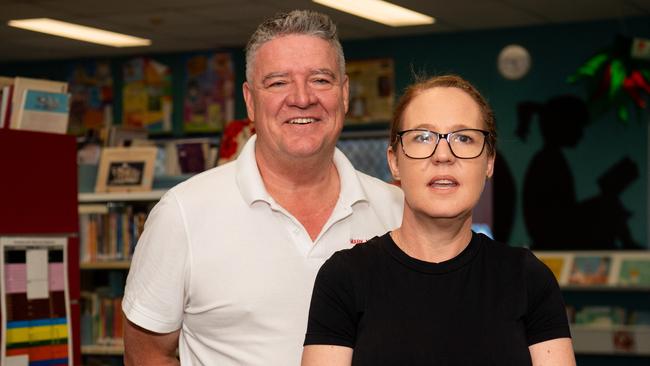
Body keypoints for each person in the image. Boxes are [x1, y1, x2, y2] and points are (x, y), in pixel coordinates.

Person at [121, 10, 404, 366]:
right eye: (278, 82)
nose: (302, 98)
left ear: (344, 93)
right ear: (250, 100)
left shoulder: (396, 210)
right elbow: (146, 355)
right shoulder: (182, 214)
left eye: (320, 80)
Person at [302, 75, 576, 366]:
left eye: (465, 138)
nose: (443, 155)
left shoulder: (528, 278)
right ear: (394, 161)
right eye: (422, 137)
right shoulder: (345, 277)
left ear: (490, 161)